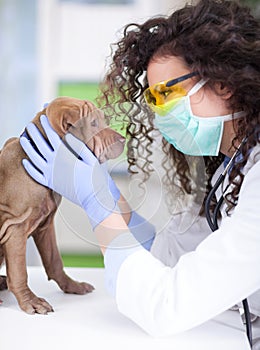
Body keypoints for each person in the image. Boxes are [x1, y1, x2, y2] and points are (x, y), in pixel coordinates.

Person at [20, 0, 260, 343]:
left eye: (166, 94)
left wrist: (95, 200)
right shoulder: (233, 168)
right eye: (152, 99)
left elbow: (166, 305)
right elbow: (168, 254)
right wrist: (105, 193)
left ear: (223, 83)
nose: (160, 112)